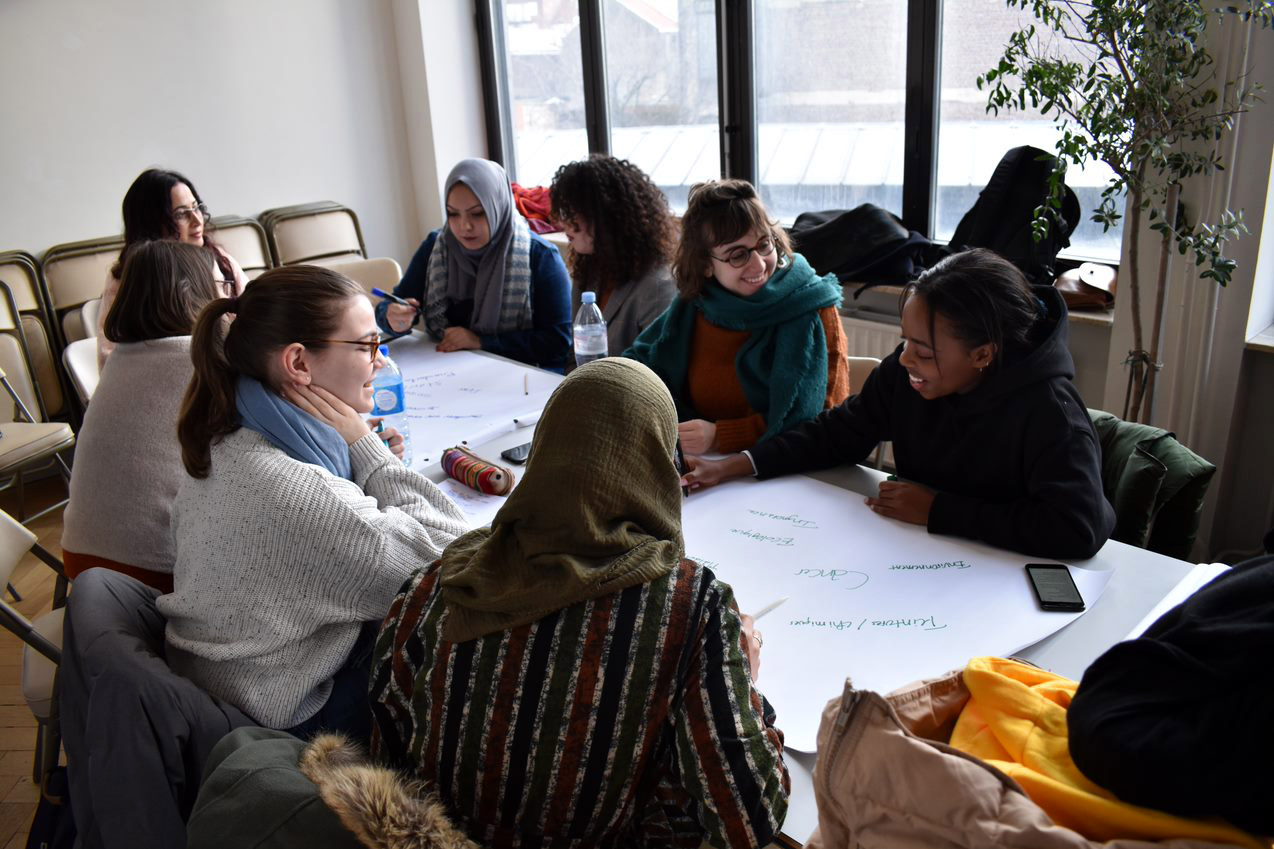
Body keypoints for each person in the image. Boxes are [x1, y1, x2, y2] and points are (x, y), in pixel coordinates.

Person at [370, 358, 789, 849]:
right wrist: (747, 686)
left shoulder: (440, 582)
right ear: (658, 462)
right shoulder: (689, 606)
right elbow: (749, 817)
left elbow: (386, 764)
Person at [160, 266, 469, 741]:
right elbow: (463, 560)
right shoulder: (297, 496)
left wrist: (354, 453)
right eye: (366, 346)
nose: (381, 363)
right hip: (289, 718)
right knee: (464, 639)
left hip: (230, 686)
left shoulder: (230, 434)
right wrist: (367, 449)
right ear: (299, 363)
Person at [683, 248, 1115, 560]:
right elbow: (837, 434)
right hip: (910, 558)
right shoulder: (908, 374)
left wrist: (939, 512)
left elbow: (1076, 529)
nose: (906, 359)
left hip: (993, 582)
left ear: (983, 354)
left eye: (924, 351)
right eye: (905, 342)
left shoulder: (1050, 414)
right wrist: (738, 463)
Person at [624, 178, 849, 454]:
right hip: (703, 463)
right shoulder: (694, 306)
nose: (758, 264)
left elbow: (821, 426)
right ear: (705, 264)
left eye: (764, 244)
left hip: (791, 469)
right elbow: (634, 367)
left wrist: (722, 436)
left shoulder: (813, 306)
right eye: (737, 255)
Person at [61, 240, 226, 592]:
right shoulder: (201, 356)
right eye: (219, 288)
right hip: (156, 573)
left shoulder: (120, 357)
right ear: (194, 291)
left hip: (81, 561)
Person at [377, 158, 572, 371]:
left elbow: (559, 342)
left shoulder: (540, 256)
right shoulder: (437, 247)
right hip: (452, 372)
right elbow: (394, 304)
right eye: (453, 214)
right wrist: (392, 316)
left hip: (526, 377)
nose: (464, 226)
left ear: (497, 207)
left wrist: (481, 341)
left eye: (478, 214)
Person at [97, 167, 247, 368]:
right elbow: (112, 361)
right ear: (152, 223)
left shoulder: (220, 259)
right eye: (181, 214)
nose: (197, 220)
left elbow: (252, 313)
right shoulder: (126, 281)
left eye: (196, 207)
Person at [549, 154, 677, 353]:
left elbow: (656, 375)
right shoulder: (588, 269)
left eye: (571, 214)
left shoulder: (657, 286)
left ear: (606, 218)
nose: (562, 223)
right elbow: (574, 354)